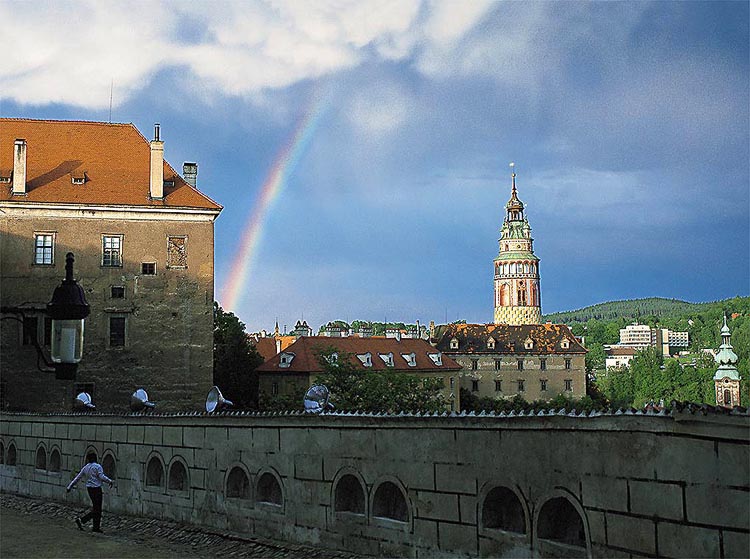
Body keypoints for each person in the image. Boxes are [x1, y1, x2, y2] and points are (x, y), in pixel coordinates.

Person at [66, 452, 114, 533]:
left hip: (90, 489)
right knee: (97, 509)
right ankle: (85, 521)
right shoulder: (97, 466)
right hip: (97, 489)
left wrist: (69, 487)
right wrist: (109, 481)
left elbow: (77, 478)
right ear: (95, 458)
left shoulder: (86, 468)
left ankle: (94, 526)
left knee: (96, 508)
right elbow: (101, 477)